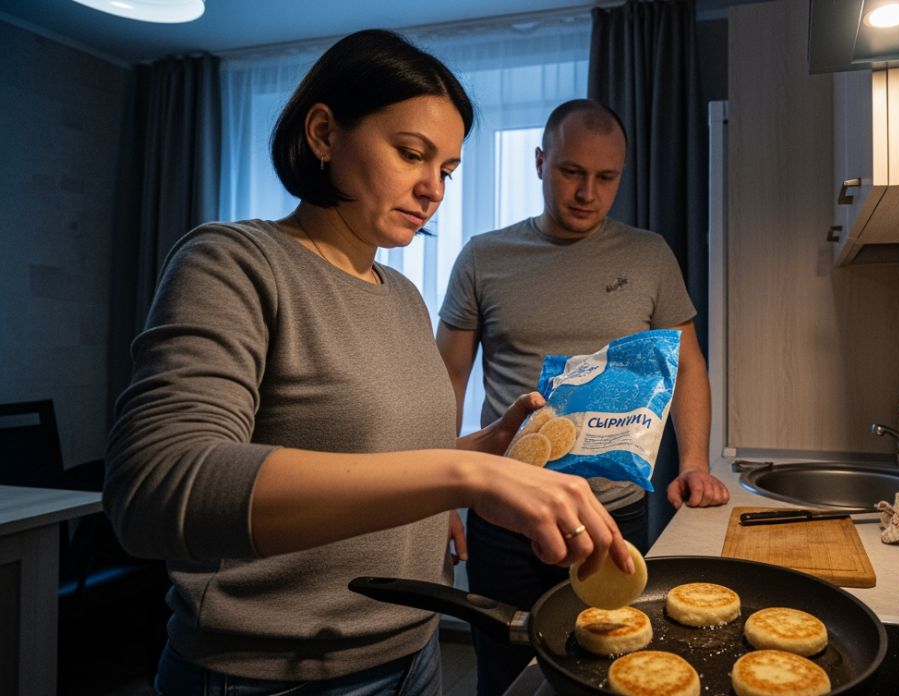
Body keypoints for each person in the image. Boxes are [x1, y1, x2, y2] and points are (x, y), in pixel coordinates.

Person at [103, 30, 632, 696]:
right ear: (323, 133)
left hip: (415, 652)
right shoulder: (234, 263)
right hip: (270, 676)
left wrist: (482, 461)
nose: (432, 187)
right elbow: (155, 485)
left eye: (446, 169)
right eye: (411, 153)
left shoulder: (404, 297)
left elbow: (375, 458)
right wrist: (460, 472)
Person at [436, 98, 730, 696]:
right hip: (504, 510)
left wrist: (694, 461)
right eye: (571, 172)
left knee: (611, 671)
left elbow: (688, 362)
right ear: (541, 162)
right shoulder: (483, 257)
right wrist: (440, 488)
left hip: (611, 515)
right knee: (503, 671)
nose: (587, 193)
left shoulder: (649, 255)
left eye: (606, 177)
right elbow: (445, 377)